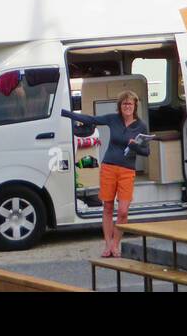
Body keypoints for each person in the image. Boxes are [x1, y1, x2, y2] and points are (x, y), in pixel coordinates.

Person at [62, 90, 150, 257]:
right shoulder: (113, 119)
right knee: (108, 207)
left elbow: (146, 152)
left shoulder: (141, 125)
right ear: (120, 106)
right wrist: (65, 113)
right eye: (124, 104)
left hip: (127, 170)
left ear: (135, 106)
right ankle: (108, 245)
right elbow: (91, 120)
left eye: (130, 104)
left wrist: (134, 146)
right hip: (109, 167)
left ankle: (116, 243)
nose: (127, 107)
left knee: (123, 210)